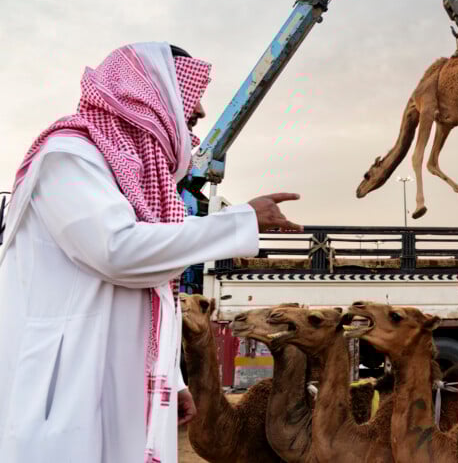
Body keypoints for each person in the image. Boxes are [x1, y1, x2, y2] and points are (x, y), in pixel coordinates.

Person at [0, 42, 302, 463]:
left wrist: (172, 377)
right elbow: (119, 250)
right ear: (149, 97)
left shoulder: (117, 170)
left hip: (112, 382)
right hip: (69, 387)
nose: (197, 113)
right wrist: (240, 221)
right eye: (189, 99)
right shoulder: (67, 159)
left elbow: (150, 289)